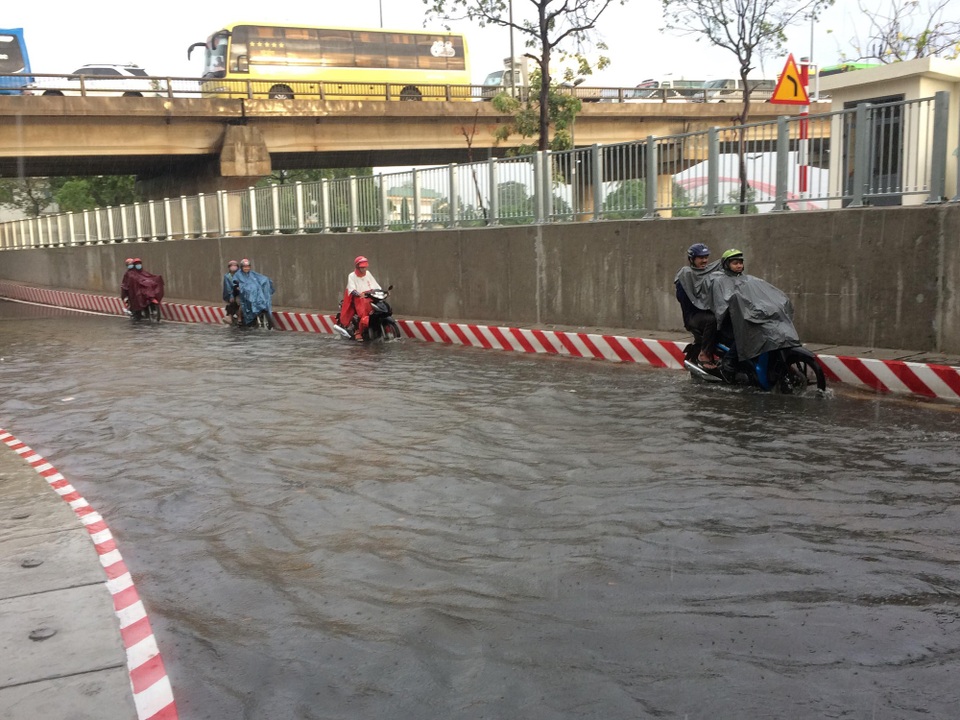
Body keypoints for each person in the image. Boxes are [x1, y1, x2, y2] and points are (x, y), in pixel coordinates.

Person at [709, 248, 801, 362]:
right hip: (732, 320)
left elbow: (762, 293)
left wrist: (776, 303)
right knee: (748, 336)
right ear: (726, 264)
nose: (739, 266)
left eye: (740, 262)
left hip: (748, 314)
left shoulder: (748, 279)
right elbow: (724, 303)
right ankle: (729, 363)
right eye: (735, 263)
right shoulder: (720, 280)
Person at [675, 243, 721, 369]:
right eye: (701, 258)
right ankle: (704, 354)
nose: (705, 260)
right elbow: (682, 298)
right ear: (692, 259)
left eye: (706, 257)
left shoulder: (710, 273)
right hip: (693, 317)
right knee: (712, 320)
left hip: (710, 311)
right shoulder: (686, 276)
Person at [338, 255, 380, 341]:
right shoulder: (352, 276)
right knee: (363, 310)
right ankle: (358, 331)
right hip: (357, 298)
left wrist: (381, 291)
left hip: (369, 296)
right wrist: (359, 294)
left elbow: (375, 285)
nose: (364, 269)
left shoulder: (368, 273)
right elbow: (352, 289)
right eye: (362, 267)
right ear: (357, 267)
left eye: (365, 267)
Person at [234, 258, 275, 329]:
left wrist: (266, 281)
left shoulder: (253, 274)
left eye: (248, 267)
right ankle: (239, 318)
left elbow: (262, 278)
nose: (246, 268)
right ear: (241, 267)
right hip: (242, 294)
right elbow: (235, 282)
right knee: (242, 304)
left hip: (254, 294)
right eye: (245, 267)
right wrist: (239, 286)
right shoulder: (238, 275)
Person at [221, 259, 241, 324]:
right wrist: (231, 295)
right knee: (233, 302)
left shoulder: (240, 275)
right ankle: (230, 316)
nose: (233, 267)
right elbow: (228, 287)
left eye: (235, 265)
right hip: (231, 293)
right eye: (232, 266)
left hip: (240, 292)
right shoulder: (227, 276)